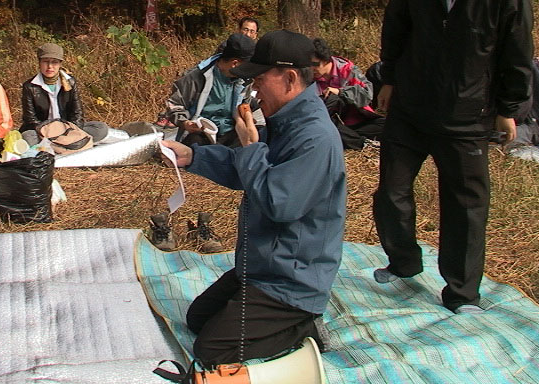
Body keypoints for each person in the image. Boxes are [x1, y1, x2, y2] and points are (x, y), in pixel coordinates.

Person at [373, 0, 533, 314]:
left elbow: (517, 53)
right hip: (411, 102)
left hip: (467, 112)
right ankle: (404, 261)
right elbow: (397, 25)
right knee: (391, 192)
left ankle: (462, 293)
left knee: (464, 206)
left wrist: (508, 107)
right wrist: (389, 78)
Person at [161, 30, 346, 366]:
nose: (254, 89)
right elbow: (248, 169)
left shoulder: (314, 138)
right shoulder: (285, 119)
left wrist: (250, 147)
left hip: (292, 280)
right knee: (198, 320)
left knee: (212, 350)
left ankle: (303, 325)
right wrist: (191, 156)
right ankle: (281, 319)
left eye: (259, 79)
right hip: (261, 268)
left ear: (290, 79)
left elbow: (279, 203)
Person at [165, 33, 256, 147]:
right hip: (201, 133)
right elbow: (174, 104)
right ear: (235, 63)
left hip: (231, 132)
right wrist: (185, 123)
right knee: (195, 145)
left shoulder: (244, 80)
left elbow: (245, 106)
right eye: (247, 65)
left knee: (259, 136)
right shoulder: (198, 76)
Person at [20, 43, 108, 145]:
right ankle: (68, 143)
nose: (50, 66)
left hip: (67, 128)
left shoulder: (70, 82)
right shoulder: (30, 87)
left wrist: (71, 130)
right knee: (27, 138)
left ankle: (60, 143)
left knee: (101, 128)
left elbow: (77, 113)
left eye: (54, 62)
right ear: (39, 63)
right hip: (44, 131)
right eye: (45, 62)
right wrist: (51, 131)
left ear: (60, 64)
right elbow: (30, 119)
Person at [311, 38, 385, 149]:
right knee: (331, 103)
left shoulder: (347, 70)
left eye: (315, 64)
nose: (311, 69)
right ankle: (360, 142)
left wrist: (341, 92)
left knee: (386, 126)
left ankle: (350, 138)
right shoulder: (307, 78)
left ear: (326, 60)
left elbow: (367, 94)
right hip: (328, 122)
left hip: (356, 120)